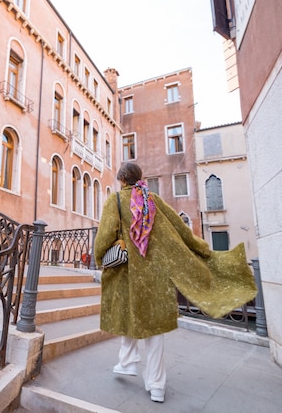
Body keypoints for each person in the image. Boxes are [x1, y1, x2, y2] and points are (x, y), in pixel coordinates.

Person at [94, 162, 257, 403]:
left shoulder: (116, 200)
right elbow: (181, 229)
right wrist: (202, 249)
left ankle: (128, 362)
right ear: (140, 178)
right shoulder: (154, 201)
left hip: (128, 275)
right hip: (158, 275)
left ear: (121, 179)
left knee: (127, 314)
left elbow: (105, 235)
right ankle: (156, 385)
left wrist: (100, 257)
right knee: (155, 330)